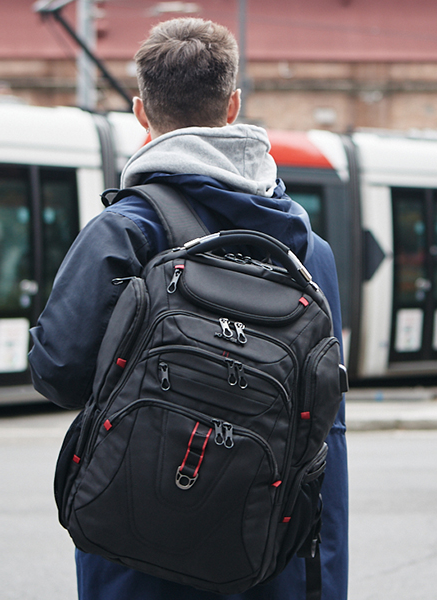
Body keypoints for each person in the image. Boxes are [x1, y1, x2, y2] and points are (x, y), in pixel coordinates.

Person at [26, 18, 348, 600]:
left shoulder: (122, 231)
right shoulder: (309, 252)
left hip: (135, 556)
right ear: (233, 105)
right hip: (268, 561)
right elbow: (327, 433)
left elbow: (58, 370)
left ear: (141, 113)